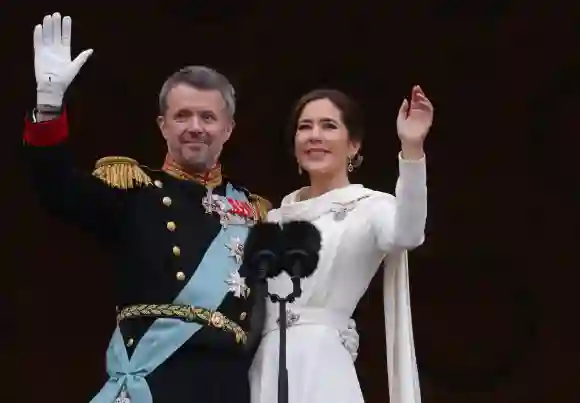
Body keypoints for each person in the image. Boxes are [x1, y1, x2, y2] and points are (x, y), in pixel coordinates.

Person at [23, 12, 272, 403]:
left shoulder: (255, 214)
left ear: (228, 129)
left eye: (208, 117)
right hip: (155, 383)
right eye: (182, 115)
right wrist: (50, 105)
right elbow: (56, 188)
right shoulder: (132, 190)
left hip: (227, 388)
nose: (195, 127)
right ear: (162, 125)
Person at [249, 87, 432, 403]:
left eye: (329, 126)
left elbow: (408, 233)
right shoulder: (271, 218)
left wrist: (412, 148)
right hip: (263, 366)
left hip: (321, 367)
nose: (314, 135)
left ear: (353, 145)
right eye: (304, 127)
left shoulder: (371, 206)